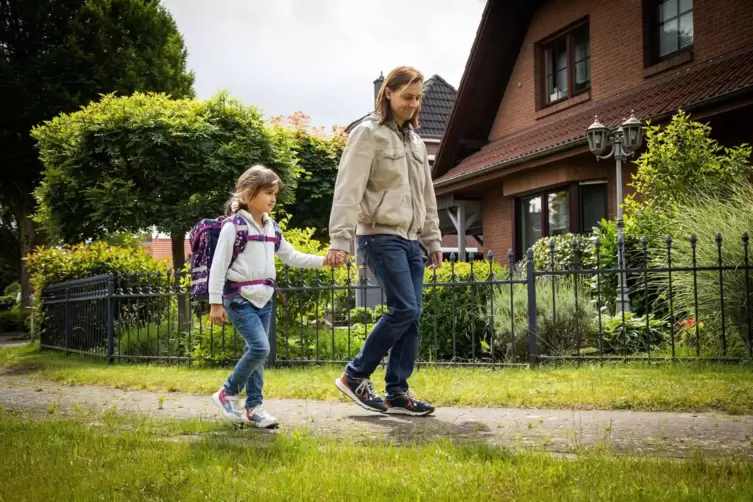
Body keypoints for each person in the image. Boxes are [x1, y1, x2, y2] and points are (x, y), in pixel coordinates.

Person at [325, 66, 443, 416]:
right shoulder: (367, 134)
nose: (413, 103)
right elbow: (348, 189)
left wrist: (433, 240)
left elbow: (427, 194)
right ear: (388, 94)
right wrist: (339, 240)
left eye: (418, 97)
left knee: (413, 315)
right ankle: (355, 375)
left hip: (410, 240)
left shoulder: (416, 141)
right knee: (404, 308)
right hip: (378, 235)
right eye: (407, 96)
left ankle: (397, 392)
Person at [208, 165, 326, 428]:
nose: (273, 198)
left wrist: (324, 261)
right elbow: (218, 266)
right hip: (239, 298)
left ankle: (254, 408)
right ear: (249, 194)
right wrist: (215, 303)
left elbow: (292, 257)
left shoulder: (272, 227)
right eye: (268, 193)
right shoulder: (233, 226)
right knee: (261, 348)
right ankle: (227, 392)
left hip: (264, 298)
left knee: (257, 352)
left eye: (275, 194)